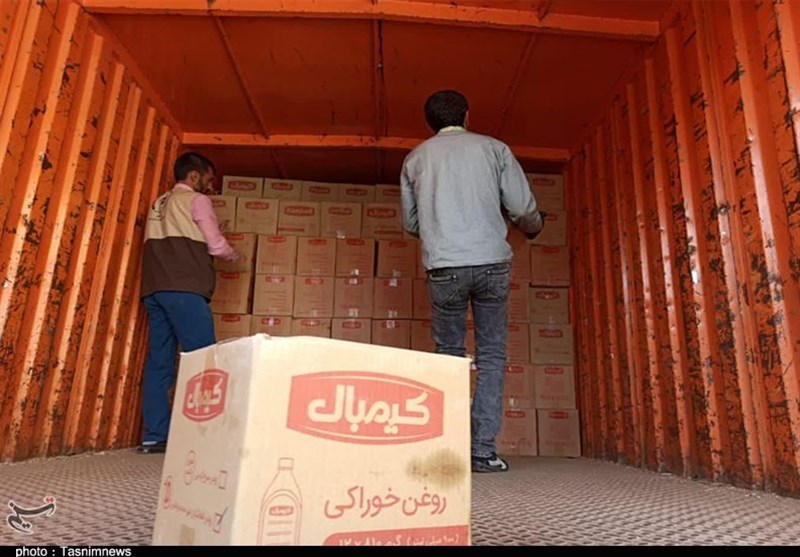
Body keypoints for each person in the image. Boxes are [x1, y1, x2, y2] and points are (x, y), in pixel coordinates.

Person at [400, 90, 545, 473]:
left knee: (448, 355)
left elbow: (411, 223)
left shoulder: (415, 159)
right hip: (491, 263)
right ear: (467, 115)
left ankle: (448, 448)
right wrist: (534, 226)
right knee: (491, 355)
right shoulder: (494, 149)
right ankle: (482, 452)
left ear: (430, 123)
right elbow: (521, 207)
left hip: (444, 266)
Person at [137, 152, 240, 454]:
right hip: (184, 288)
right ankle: (204, 434)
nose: (211, 186)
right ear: (194, 176)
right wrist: (237, 255)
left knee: (160, 362)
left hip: (154, 289)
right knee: (204, 359)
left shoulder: (158, 203)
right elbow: (216, 245)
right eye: (208, 179)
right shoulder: (197, 200)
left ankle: (155, 435)